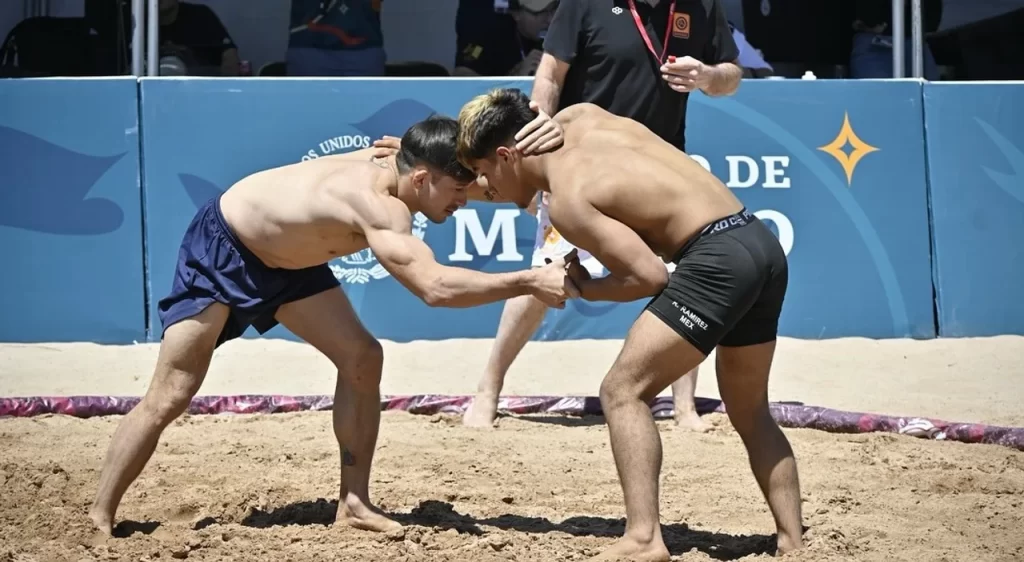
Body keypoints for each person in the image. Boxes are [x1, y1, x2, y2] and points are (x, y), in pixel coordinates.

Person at [88, 114, 573, 536]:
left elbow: (488, 182)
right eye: (458, 191)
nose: (467, 201)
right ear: (422, 179)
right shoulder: (379, 206)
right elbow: (435, 289)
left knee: (362, 357)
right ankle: (100, 514)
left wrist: (545, 158)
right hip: (226, 250)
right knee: (172, 392)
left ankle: (354, 504)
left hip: (290, 263)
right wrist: (530, 279)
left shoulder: (405, 161)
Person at [457, 88, 803, 561]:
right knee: (750, 411)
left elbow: (649, 276)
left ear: (504, 155)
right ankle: (793, 542)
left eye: (482, 175)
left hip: (714, 260)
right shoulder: (582, 115)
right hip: (757, 241)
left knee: (622, 391)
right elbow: (532, 151)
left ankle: (643, 538)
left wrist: (579, 285)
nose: (485, 189)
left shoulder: (568, 202)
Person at [463, 0, 743, 430]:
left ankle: (684, 406)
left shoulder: (701, 6)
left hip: (658, 171)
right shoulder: (585, 3)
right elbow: (551, 73)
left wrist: (708, 77)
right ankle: (488, 389)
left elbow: (732, 76)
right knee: (543, 275)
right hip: (582, 168)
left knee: (684, 282)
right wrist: (536, 135)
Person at [453, 0, 559, 77]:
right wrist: (515, 76)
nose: (550, 20)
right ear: (516, 13)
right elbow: (461, 76)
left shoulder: (562, 29)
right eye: (539, 13)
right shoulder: (486, 33)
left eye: (553, 9)